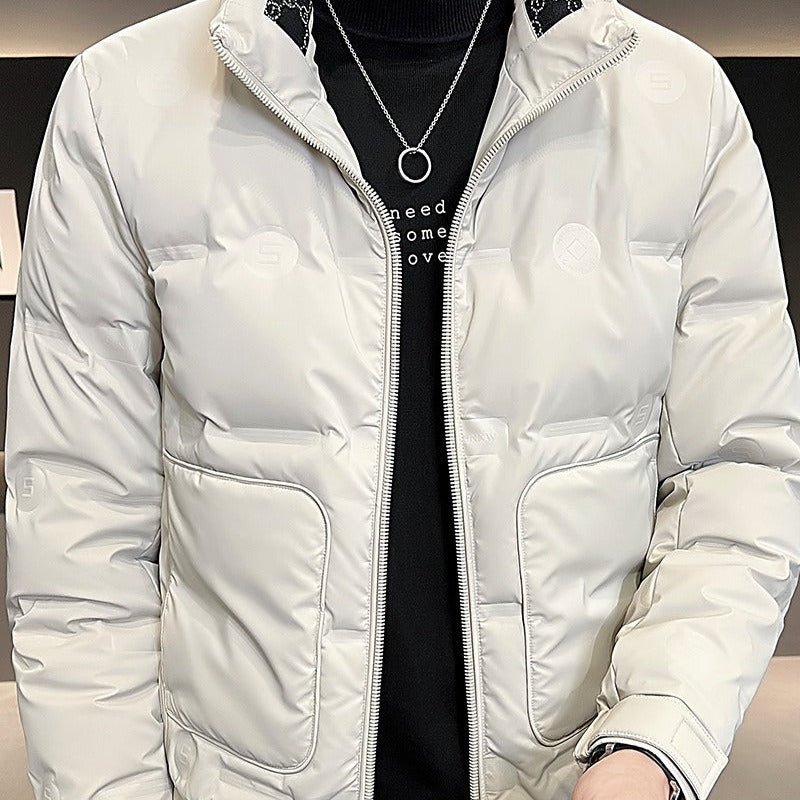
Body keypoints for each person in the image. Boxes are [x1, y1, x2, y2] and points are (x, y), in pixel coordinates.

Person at [5, 1, 800, 800]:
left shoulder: (677, 103)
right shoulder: (123, 102)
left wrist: (653, 743)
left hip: (572, 778)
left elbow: (739, 473)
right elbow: (77, 518)